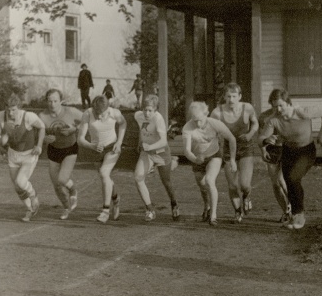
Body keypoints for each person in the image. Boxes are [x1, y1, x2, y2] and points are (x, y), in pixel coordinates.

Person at [258, 89, 322, 230]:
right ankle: (294, 216)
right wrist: (267, 140)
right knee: (289, 182)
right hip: (288, 151)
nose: (278, 109)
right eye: (274, 106)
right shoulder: (274, 120)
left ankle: (299, 216)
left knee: (293, 178)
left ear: (288, 103)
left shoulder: (302, 112)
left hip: (306, 151)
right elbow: (260, 139)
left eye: (281, 105)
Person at [182, 101, 237, 226]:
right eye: (194, 120)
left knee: (209, 181)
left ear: (206, 114)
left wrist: (233, 159)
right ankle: (206, 205)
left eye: (200, 119)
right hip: (197, 158)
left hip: (214, 155)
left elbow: (232, 138)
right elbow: (186, 150)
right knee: (202, 185)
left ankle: (213, 216)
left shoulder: (215, 123)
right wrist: (195, 159)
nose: (198, 123)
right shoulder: (187, 127)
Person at [211, 83, 259, 223]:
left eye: (234, 96)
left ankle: (247, 196)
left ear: (239, 97)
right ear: (224, 97)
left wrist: (250, 134)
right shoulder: (217, 112)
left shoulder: (247, 108)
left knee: (244, 184)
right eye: (228, 96)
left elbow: (255, 123)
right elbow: (211, 130)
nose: (231, 100)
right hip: (227, 149)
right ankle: (238, 212)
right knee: (232, 185)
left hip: (245, 147)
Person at [0, 94, 45, 222]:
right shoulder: (1, 116)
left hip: (29, 155)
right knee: (17, 186)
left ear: (19, 108)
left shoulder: (28, 116)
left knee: (21, 182)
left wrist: (39, 145)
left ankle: (33, 196)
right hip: (13, 154)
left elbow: (42, 127)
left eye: (14, 110)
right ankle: (30, 209)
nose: (10, 113)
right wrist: (2, 138)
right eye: (8, 109)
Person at [77, 95, 127, 223]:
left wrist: (119, 143)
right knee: (105, 178)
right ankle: (116, 199)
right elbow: (80, 139)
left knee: (104, 173)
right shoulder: (87, 114)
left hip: (112, 147)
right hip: (96, 149)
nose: (99, 116)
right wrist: (91, 146)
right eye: (96, 113)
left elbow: (123, 124)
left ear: (107, 109)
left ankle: (105, 210)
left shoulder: (114, 113)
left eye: (102, 114)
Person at [134, 94, 180, 222]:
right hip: (147, 152)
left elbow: (163, 141)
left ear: (155, 110)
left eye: (150, 110)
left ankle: (174, 203)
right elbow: (141, 129)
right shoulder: (138, 116)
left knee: (166, 182)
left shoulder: (158, 119)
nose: (147, 113)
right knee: (138, 177)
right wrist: (140, 143)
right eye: (145, 110)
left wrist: (149, 146)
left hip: (161, 152)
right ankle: (149, 209)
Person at [39, 89, 83, 220]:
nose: (52, 104)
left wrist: (74, 129)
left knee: (62, 179)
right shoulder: (42, 116)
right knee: (57, 185)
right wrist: (45, 139)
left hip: (70, 148)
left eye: (55, 101)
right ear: (46, 101)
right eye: (49, 101)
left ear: (61, 101)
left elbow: (87, 120)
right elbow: (38, 133)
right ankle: (65, 208)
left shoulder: (71, 111)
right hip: (54, 150)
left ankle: (73, 190)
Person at [258, 107, 291, 223]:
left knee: (283, 180)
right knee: (276, 183)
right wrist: (263, 151)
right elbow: (261, 136)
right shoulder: (264, 117)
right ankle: (286, 211)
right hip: (272, 150)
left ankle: (295, 208)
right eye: (276, 104)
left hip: (288, 149)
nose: (279, 107)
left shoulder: (291, 114)